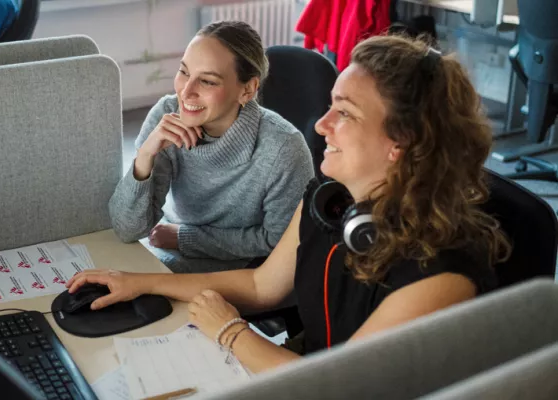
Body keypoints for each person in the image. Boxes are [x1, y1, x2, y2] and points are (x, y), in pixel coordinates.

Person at [69, 34, 511, 373]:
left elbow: (339, 386)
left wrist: (232, 331)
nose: (320, 125)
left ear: (402, 141)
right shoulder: (330, 199)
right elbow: (262, 286)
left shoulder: (440, 275)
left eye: (345, 113)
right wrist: (139, 282)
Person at [110, 21, 315, 273]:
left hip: (245, 269)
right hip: (169, 246)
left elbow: (279, 242)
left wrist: (184, 238)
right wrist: (144, 156)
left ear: (247, 90)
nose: (186, 92)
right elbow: (127, 229)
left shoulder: (284, 148)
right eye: (184, 71)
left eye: (207, 81)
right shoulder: (167, 115)